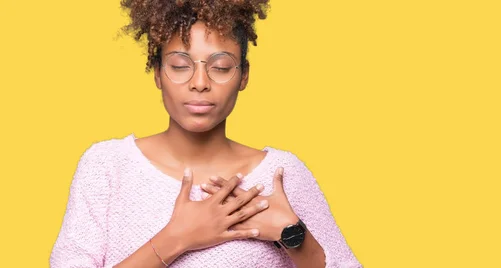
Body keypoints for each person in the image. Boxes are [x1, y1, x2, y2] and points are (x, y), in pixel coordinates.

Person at [49, 0, 361, 267]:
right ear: (157, 73)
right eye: (180, 66)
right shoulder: (106, 167)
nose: (200, 82)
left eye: (221, 66)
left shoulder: (281, 174)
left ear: (243, 76)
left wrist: (292, 234)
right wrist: (176, 239)